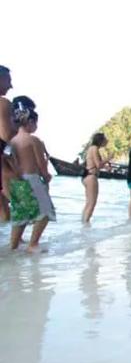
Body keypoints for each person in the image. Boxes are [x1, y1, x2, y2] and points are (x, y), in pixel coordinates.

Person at [8, 101, 56, 252]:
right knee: (45, 212)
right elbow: (40, 165)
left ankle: (13, 246)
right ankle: (33, 244)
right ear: (30, 121)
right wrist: (47, 175)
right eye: (36, 123)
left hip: (16, 181)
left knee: (20, 215)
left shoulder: (12, 141)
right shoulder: (33, 140)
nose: (36, 126)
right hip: (32, 179)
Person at [82, 132, 111, 224]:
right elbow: (98, 165)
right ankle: (86, 224)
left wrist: (106, 167)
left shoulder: (92, 148)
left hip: (87, 176)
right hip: (91, 177)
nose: (106, 141)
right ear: (100, 140)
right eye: (105, 139)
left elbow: (95, 164)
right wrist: (108, 158)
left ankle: (84, 223)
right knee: (92, 203)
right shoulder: (94, 148)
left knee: (88, 202)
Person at [0, 66, 15, 222]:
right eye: (8, 81)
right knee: (27, 206)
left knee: (3, 209)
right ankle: (17, 245)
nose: (11, 86)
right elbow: (6, 135)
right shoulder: (3, 103)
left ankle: (12, 246)